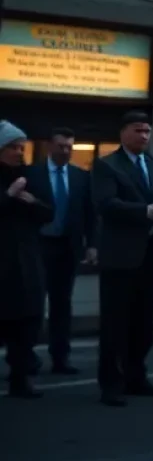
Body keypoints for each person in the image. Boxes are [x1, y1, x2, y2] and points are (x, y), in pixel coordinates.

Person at [91, 110, 153, 407]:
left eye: (147, 131)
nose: (144, 136)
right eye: (138, 130)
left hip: (152, 254)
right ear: (124, 133)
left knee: (143, 322)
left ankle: (136, 375)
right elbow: (106, 204)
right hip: (120, 255)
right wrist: (144, 212)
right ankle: (111, 383)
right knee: (115, 322)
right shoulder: (107, 166)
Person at [25, 127, 96, 375]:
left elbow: (89, 213)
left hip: (68, 247)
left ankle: (60, 357)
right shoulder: (32, 174)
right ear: (49, 146)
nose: (65, 151)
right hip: (38, 245)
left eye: (69, 147)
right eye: (61, 146)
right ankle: (27, 355)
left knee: (62, 304)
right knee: (33, 302)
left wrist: (92, 245)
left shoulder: (80, 177)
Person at [0, 121, 51, 399]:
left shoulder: (30, 176)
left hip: (27, 263)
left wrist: (30, 201)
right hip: (3, 263)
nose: (19, 152)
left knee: (25, 324)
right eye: (13, 147)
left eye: (22, 147)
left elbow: (49, 212)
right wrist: (9, 195)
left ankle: (20, 378)